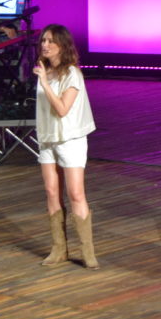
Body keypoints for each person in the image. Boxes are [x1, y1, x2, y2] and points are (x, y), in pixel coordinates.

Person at [34, 24, 99, 269]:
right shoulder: (45, 71)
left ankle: (87, 251)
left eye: (51, 41)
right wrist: (44, 79)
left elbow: (62, 109)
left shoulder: (72, 73)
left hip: (70, 139)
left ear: (62, 45)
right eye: (43, 40)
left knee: (76, 194)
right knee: (51, 192)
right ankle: (59, 249)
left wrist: (45, 83)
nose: (45, 45)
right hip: (48, 138)